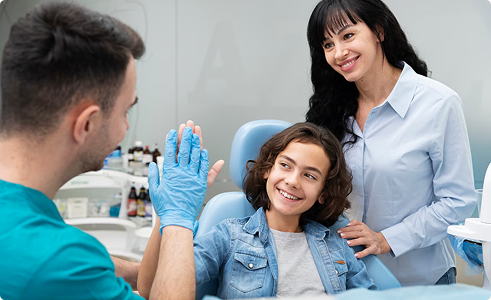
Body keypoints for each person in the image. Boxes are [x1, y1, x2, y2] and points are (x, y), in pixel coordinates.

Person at [0, 2, 222, 300]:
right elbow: (65, 265)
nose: (125, 128)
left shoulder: (32, 230)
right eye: (125, 112)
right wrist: (179, 220)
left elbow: (89, 266)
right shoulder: (57, 260)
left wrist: (161, 225)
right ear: (87, 124)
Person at [305, 0, 476, 286]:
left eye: (347, 36)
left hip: (420, 281)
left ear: (379, 31)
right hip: (347, 280)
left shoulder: (438, 104)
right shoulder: (330, 111)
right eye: (327, 44)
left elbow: (457, 202)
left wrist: (386, 240)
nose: (339, 53)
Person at [138, 122, 377, 299]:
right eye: (285, 165)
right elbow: (153, 290)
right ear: (267, 170)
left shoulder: (335, 244)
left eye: (309, 175)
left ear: (323, 192)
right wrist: (169, 215)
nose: (293, 181)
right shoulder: (229, 236)